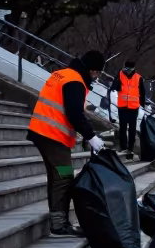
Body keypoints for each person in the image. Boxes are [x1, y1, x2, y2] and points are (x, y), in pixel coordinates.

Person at [27, 50, 107, 237]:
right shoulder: (75, 81)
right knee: (64, 176)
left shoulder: (62, 74)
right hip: (52, 136)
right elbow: (74, 114)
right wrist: (91, 137)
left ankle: (58, 221)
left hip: (44, 133)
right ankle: (59, 224)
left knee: (57, 177)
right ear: (90, 69)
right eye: (96, 73)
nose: (96, 77)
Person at [111, 59, 145, 160]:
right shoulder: (120, 75)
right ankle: (123, 147)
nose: (128, 71)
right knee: (122, 128)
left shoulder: (138, 78)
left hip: (133, 108)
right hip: (122, 107)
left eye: (130, 69)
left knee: (132, 129)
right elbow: (114, 87)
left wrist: (142, 104)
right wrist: (116, 83)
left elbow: (142, 92)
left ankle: (130, 148)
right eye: (126, 69)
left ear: (133, 69)